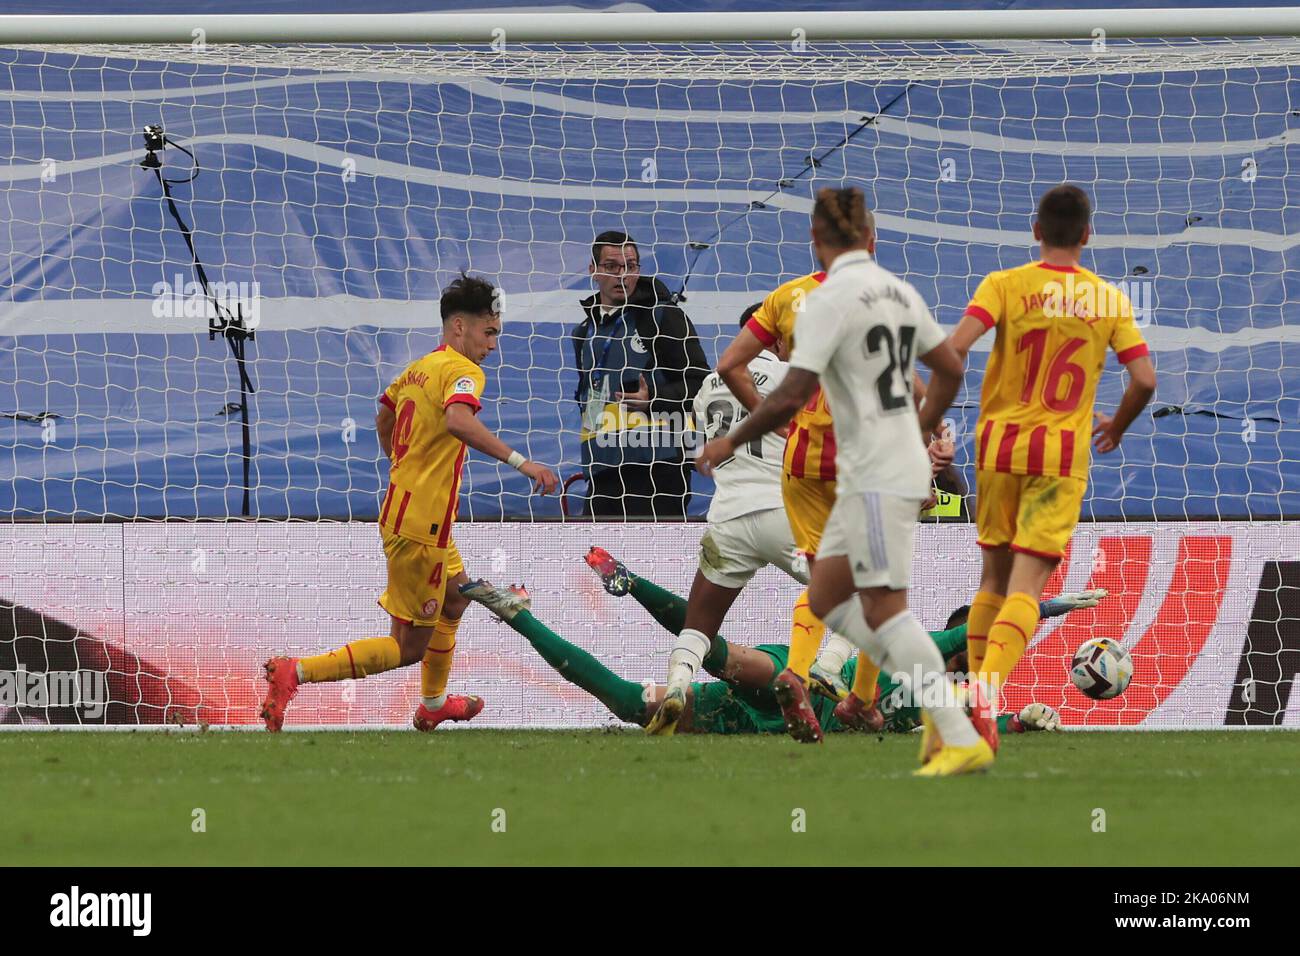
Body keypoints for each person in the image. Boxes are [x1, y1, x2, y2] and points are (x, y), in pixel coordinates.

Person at [698, 186, 990, 776]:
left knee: (880, 609)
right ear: (873, 240)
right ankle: (877, 699)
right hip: (881, 467)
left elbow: (790, 395)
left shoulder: (822, 301)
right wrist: (922, 430)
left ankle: (952, 729)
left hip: (859, 469)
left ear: (816, 241)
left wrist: (731, 439)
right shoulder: (895, 293)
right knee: (833, 599)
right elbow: (951, 369)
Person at [259, 274, 559, 732]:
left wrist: (404, 466)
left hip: (412, 514)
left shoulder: (417, 369)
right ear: (459, 327)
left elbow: (383, 413)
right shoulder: (464, 371)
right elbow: (459, 420)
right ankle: (295, 672)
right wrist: (524, 463)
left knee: (455, 601)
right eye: (489, 332)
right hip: (421, 528)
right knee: (409, 646)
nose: (493, 345)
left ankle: (434, 703)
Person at [946, 184, 1156, 712]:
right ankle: (987, 695)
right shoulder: (1108, 299)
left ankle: (971, 686)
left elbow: (954, 349)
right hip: (1059, 454)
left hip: (998, 445)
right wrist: (1119, 425)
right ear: (1088, 234)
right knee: (1027, 582)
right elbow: (1146, 380)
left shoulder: (1005, 284)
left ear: (1036, 230)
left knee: (991, 577)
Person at [458, 576, 1093, 737]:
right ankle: (639, 588)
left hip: (754, 724)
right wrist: (1054, 604)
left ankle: (515, 613)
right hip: (814, 689)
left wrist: (1024, 721)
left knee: (631, 704)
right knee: (741, 666)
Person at [574, 231, 709, 518]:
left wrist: (654, 399)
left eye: (631, 266)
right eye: (611, 267)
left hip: (657, 468)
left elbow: (700, 383)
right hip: (602, 469)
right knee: (599, 560)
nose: (622, 275)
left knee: (656, 562)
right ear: (593, 270)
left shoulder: (662, 316)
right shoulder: (583, 332)